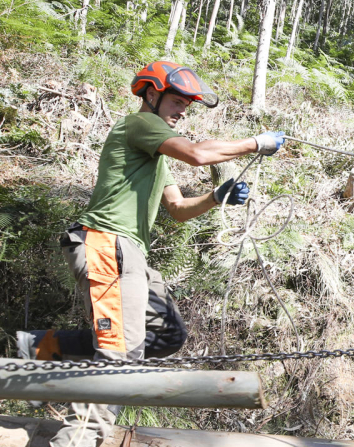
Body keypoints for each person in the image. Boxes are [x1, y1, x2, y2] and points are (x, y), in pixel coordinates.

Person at [14, 60, 286, 447]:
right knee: (119, 358)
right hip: (107, 244)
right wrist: (255, 144)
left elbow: (176, 210)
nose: (181, 111)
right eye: (176, 102)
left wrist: (215, 197)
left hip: (130, 254)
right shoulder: (138, 124)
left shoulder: (154, 154)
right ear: (152, 95)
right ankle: (78, 438)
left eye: (186, 106)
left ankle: (43, 347)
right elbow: (197, 154)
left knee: (167, 334)